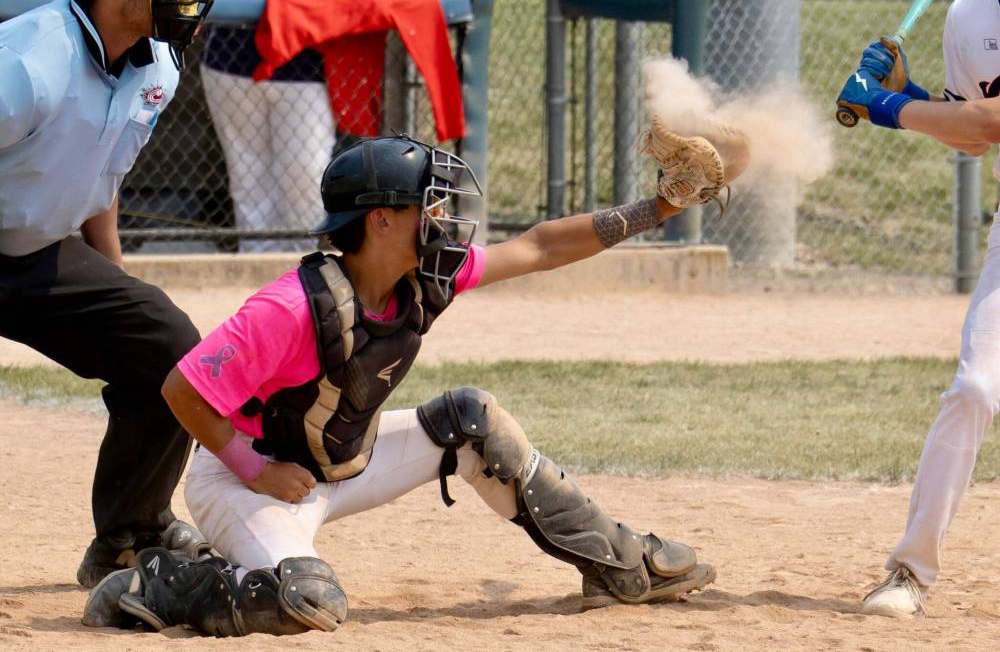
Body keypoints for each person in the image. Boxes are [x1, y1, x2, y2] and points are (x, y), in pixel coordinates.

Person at [83, 135, 725, 636]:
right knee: (308, 599)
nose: (443, 220)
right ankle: (163, 586)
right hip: (249, 484)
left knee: (471, 420)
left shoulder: (423, 278)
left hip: (340, 465)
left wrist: (658, 208)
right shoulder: (288, 309)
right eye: (429, 205)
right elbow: (181, 388)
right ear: (382, 220)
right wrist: (251, 468)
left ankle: (620, 565)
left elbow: (539, 247)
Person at [0, 0, 220, 587]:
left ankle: (130, 535)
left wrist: (120, 297)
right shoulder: (30, 59)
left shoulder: (158, 68)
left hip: (38, 252)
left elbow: (104, 180)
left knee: (167, 349)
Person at [836, 0, 1000, 618]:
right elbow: (970, 133)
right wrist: (909, 95)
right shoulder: (967, 16)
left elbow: (993, 118)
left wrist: (885, 106)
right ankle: (909, 573)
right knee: (974, 387)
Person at [200, 0, 385, 252]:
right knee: (248, 181)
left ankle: (303, 279)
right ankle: (259, 276)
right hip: (231, 57)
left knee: (306, 178)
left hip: (310, 65)